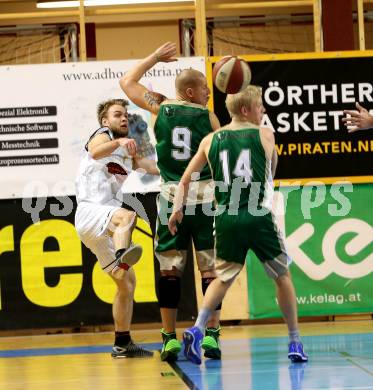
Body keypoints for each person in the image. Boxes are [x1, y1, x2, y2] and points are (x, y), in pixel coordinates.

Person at [168, 85, 308, 365]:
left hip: (226, 217)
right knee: (282, 277)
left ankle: (197, 328)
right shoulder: (266, 134)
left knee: (223, 278)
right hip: (257, 214)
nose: (263, 111)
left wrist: (176, 208)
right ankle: (295, 341)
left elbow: (184, 178)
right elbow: (271, 173)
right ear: (246, 109)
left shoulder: (210, 139)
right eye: (260, 106)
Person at [120, 42, 223, 362]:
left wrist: (152, 57)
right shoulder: (210, 118)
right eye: (204, 88)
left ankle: (169, 339)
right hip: (204, 201)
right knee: (211, 274)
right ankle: (212, 337)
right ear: (191, 92)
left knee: (169, 273)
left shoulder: (160, 108)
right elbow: (221, 163)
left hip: (169, 201)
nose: (209, 92)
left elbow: (126, 83)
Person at [75, 98, 159, 358]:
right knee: (127, 217)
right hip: (91, 211)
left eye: (125, 115)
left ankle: (122, 343)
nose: (123, 118)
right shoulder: (102, 136)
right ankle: (123, 254)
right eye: (117, 114)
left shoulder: (127, 150)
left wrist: (178, 170)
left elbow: (149, 167)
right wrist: (118, 141)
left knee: (127, 284)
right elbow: (95, 152)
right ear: (105, 121)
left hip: (98, 225)